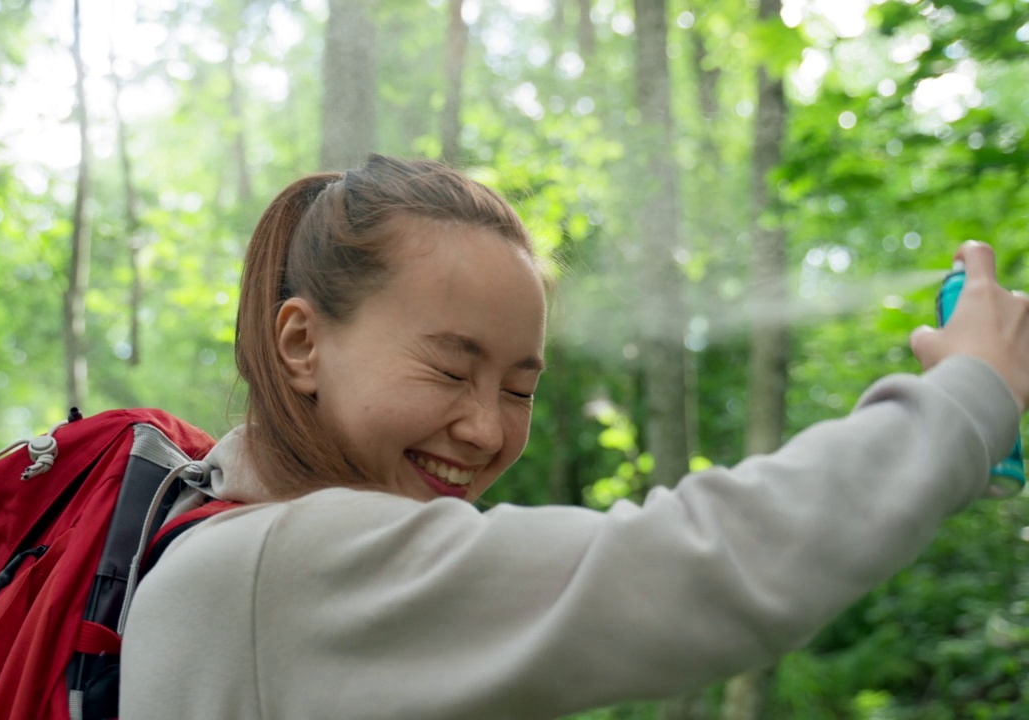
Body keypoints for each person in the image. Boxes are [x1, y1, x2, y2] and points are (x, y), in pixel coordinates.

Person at [119, 155, 1029, 719]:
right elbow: (700, 565)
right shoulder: (293, 567)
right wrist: (967, 397)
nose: (485, 428)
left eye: (520, 387)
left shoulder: (220, 534)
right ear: (302, 344)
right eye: (448, 369)